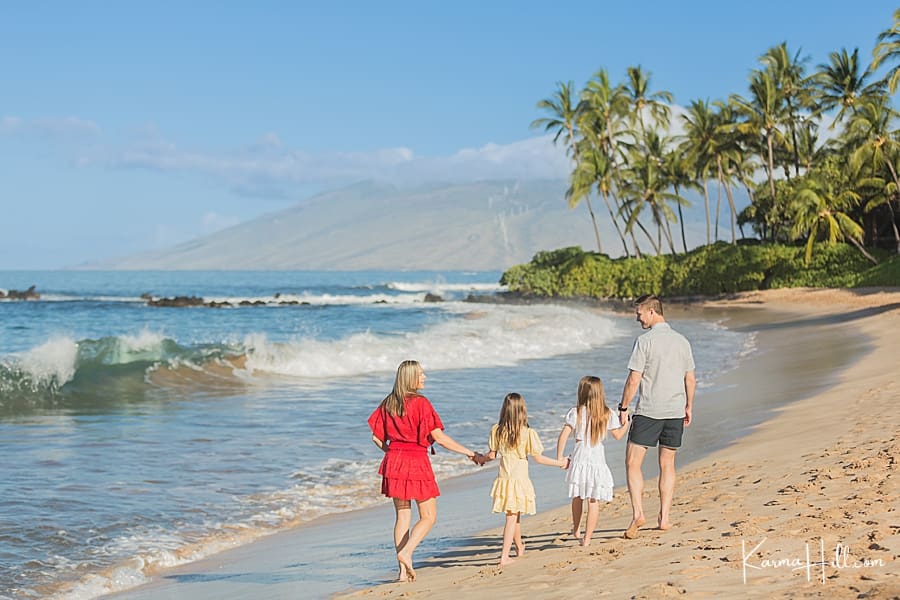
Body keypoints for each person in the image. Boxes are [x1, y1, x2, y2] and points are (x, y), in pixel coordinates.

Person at [368, 360, 479, 582]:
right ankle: (407, 552)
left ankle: (402, 571)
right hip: (416, 461)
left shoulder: (388, 403)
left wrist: (393, 452)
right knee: (429, 516)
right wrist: (469, 452)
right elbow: (439, 438)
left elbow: (376, 437)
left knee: (402, 516)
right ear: (410, 378)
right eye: (420, 374)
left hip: (394, 461)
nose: (424, 377)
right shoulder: (421, 403)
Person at [619, 294, 696, 539]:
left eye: (639, 313)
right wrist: (689, 407)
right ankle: (664, 517)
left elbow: (634, 379)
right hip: (675, 410)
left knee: (632, 463)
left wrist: (623, 408)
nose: (637, 317)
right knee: (667, 465)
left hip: (650, 411)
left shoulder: (644, 341)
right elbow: (690, 378)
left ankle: (639, 513)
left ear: (652, 312)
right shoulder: (682, 341)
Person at [476, 392, 567, 566]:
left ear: (504, 410)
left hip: (504, 479)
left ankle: (519, 547)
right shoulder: (527, 433)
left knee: (515, 515)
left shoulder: (497, 430)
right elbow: (538, 458)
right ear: (522, 411)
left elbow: (492, 455)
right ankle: (504, 556)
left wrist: (480, 459)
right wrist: (560, 463)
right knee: (511, 517)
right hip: (519, 480)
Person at [555, 376, 629, 546]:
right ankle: (587, 539)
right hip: (597, 458)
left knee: (578, 495)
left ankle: (576, 528)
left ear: (582, 392)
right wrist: (627, 423)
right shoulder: (607, 413)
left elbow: (564, 435)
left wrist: (560, 458)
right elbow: (618, 435)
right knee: (593, 500)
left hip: (580, 455)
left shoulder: (576, 412)